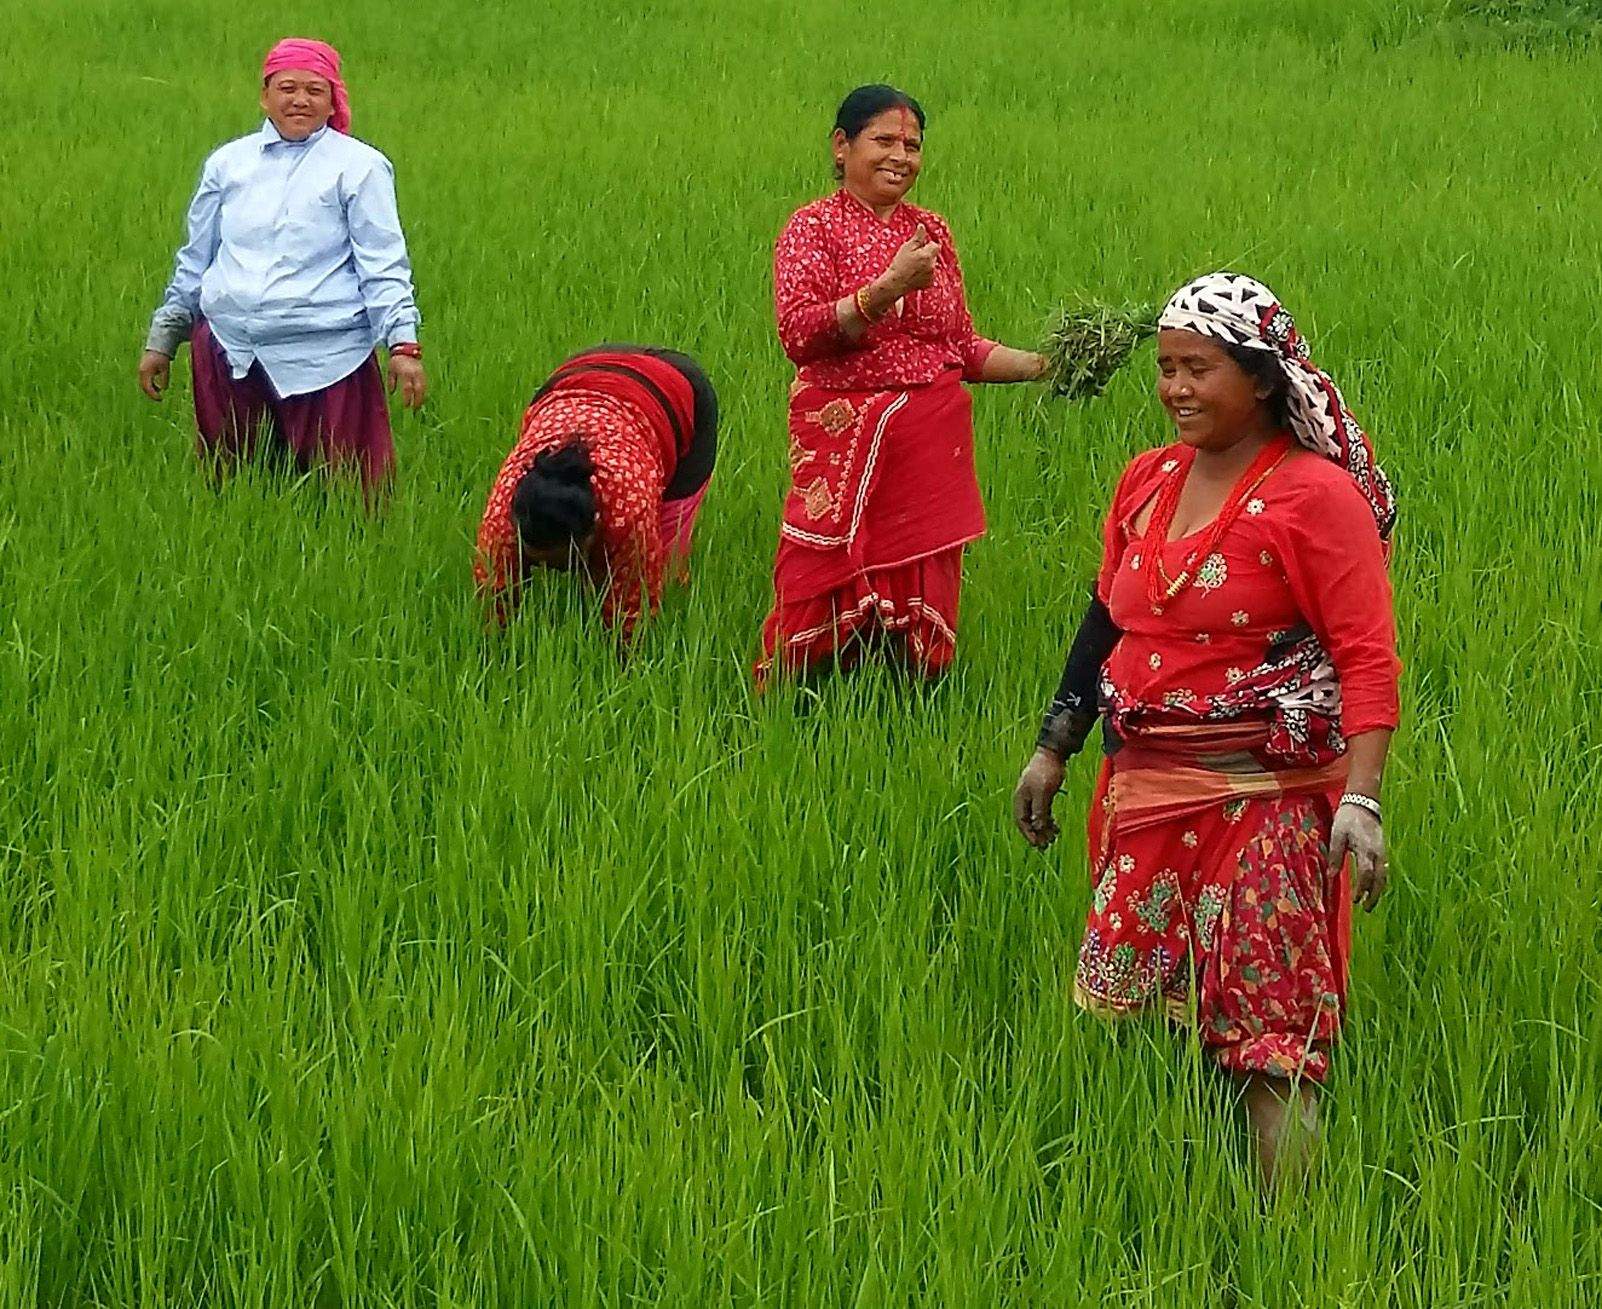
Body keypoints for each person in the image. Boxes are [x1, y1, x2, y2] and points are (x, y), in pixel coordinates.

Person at [1012, 272, 1401, 1189]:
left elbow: (1367, 658)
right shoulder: (1147, 480)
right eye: (1166, 369)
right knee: (1142, 1023)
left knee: (1271, 1040)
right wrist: (1053, 746)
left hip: (1264, 803)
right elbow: (1105, 620)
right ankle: (1167, 1199)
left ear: (1261, 379)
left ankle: (1289, 1248)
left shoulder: (1315, 498)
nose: (1177, 388)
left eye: (1200, 369)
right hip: (1145, 795)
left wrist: (1362, 799)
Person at [757, 84, 1046, 682]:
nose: (901, 156)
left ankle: (910, 692)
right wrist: (886, 287)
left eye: (912, 145)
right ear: (841, 147)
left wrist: (1044, 365)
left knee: (919, 599)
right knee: (823, 574)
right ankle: (805, 693)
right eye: (883, 140)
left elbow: (958, 345)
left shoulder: (931, 230)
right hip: (845, 442)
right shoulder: (813, 228)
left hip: (928, 448)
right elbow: (800, 334)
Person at [138, 38, 425, 492]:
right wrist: (164, 338)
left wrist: (403, 346)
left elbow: (383, 265)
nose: (299, 99)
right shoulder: (228, 164)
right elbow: (196, 259)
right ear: (264, 96)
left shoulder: (360, 167)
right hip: (229, 352)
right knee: (235, 489)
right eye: (287, 87)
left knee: (346, 498)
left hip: (328, 358)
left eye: (315, 89)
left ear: (334, 101)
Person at [474, 345, 718, 639]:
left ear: (593, 533)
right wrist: (494, 646)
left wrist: (624, 663)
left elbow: (631, 614)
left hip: (676, 390)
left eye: (567, 564)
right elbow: (493, 602)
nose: (557, 573)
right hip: (577, 376)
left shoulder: (628, 510)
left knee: (665, 562)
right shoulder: (506, 512)